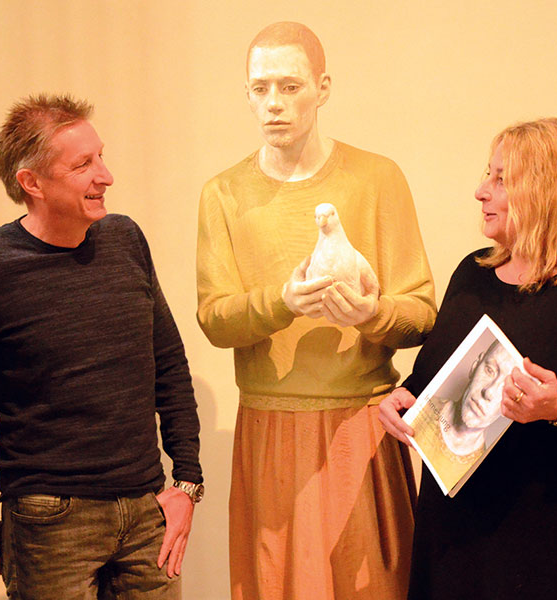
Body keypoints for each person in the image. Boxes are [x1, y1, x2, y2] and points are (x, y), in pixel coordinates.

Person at [196, 21, 436, 600]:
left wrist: (369, 313)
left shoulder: (377, 178)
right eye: (260, 89)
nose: (273, 105)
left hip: (360, 426)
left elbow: (422, 310)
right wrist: (279, 303)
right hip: (270, 430)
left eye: (290, 86)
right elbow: (214, 317)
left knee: (371, 586)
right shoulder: (224, 193)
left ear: (323, 88)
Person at [379, 117, 557, 599]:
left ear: (549, 189)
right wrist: (404, 400)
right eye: (489, 173)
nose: (481, 191)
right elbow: (432, 378)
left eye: (502, 178)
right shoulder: (472, 273)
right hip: (463, 548)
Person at [0, 94, 202, 599]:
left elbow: (168, 364)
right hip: (49, 521)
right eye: (83, 164)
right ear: (31, 183)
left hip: (147, 510)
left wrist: (187, 484)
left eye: (100, 156)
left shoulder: (124, 238)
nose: (105, 175)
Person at [410, 339, 519, 487]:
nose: (489, 392)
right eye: (490, 370)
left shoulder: (486, 473)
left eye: (507, 389)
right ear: (475, 366)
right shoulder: (416, 408)